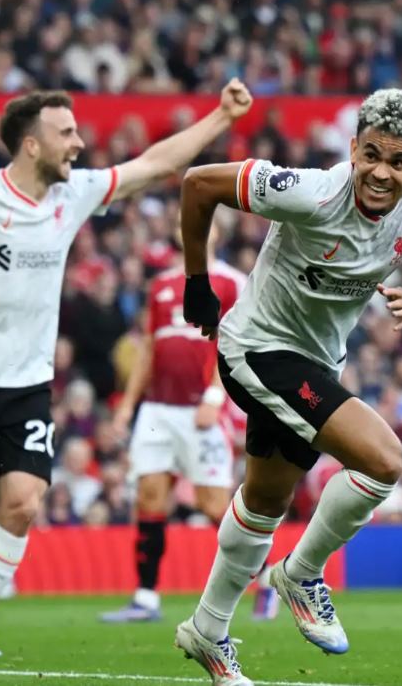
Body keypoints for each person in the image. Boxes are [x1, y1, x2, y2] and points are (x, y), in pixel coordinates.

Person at [0, 49, 252, 656]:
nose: (79, 143)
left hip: (28, 384)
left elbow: (155, 164)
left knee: (24, 503)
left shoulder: (74, 194)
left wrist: (219, 116)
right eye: (66, 133)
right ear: (31, 145)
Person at [174, 88, 402, 686]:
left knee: (264, 502)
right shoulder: (310, 191)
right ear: (353, 149)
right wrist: (197, 284)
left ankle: (208, 630)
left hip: (316, 362)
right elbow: (198, 183)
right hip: (257, 349)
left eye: (399, 161)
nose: (381, 173)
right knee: (383, 459)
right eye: (371, 155)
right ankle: (303, 571)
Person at [99, 224, 245, 624]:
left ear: (218, 232)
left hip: (202, 409)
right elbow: (149, 348)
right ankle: (145, 598)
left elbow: (237, 343)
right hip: (157, 411)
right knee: (149, 497)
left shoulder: (232, 283)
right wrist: (128, 406)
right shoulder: (161, 284)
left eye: (208, 220)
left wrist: (216, 397)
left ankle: (266, 578)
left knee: (212, 503)